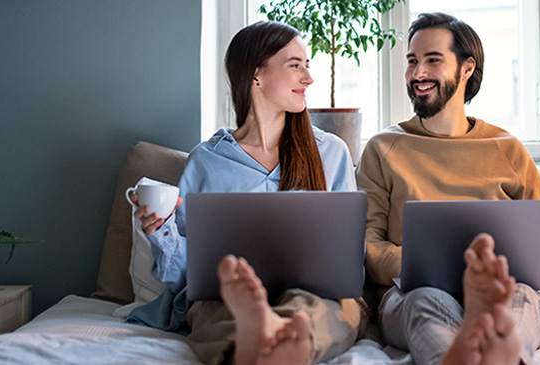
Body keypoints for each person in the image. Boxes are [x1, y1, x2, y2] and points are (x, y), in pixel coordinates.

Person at [124, 20, 362, 364]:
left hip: (314, 293)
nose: (308, 78)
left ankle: (277, 343)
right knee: (215, 310)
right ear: (255, 74)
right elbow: (191, 271)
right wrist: (160, 231)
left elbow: (347, 258)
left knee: (311, 309)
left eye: (307, 67)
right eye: (295, 66)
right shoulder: (207, 160)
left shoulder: (331, 152)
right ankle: (255, 339)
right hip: (226, 295)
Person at [357, 12, 540, 365]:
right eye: (412, 61)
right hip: (414, 291)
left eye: (432, 60)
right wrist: (437, 268)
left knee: (521, 298)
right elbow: (367, 242)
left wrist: (505, 272)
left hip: (503, 289)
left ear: (467, 68)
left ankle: (501, 350)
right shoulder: (383, 148)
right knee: (426, 300)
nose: (418, 73)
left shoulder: (508, 148)